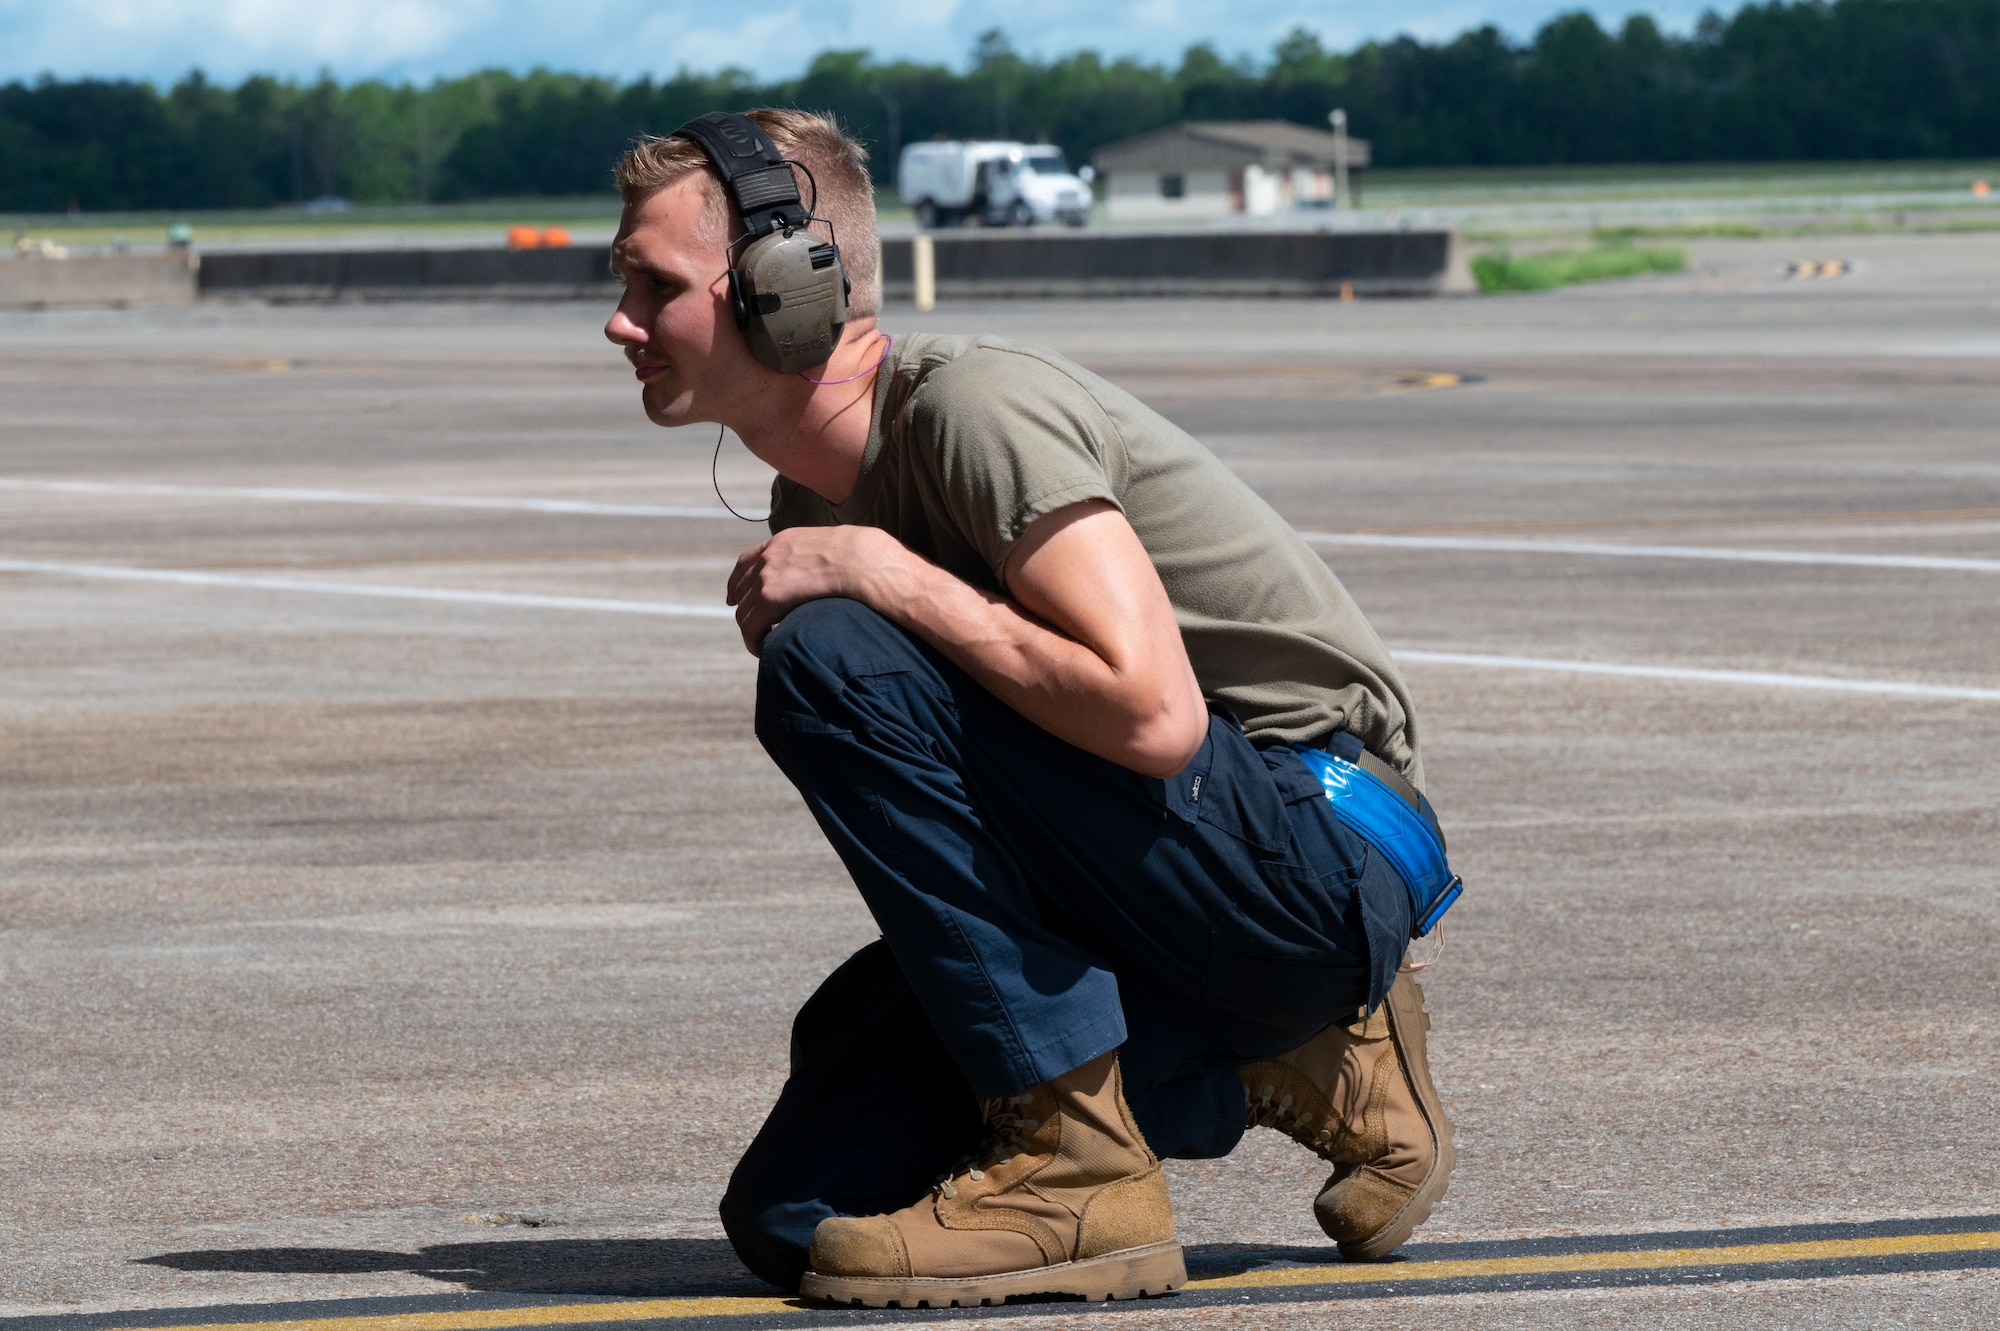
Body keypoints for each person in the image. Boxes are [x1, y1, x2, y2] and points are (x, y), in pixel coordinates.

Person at [603, 108, 1460, 1309]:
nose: (619, 319)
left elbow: (1151, 717)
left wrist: (885, 577)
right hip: (1163, 871)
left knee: (829, 655)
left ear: (784, 288)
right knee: (794, 1215)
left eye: (655, 284)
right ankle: (1306, 1059)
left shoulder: (972, 411)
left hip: (1317, 846)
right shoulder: (815, 499)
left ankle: (1082, 1167)